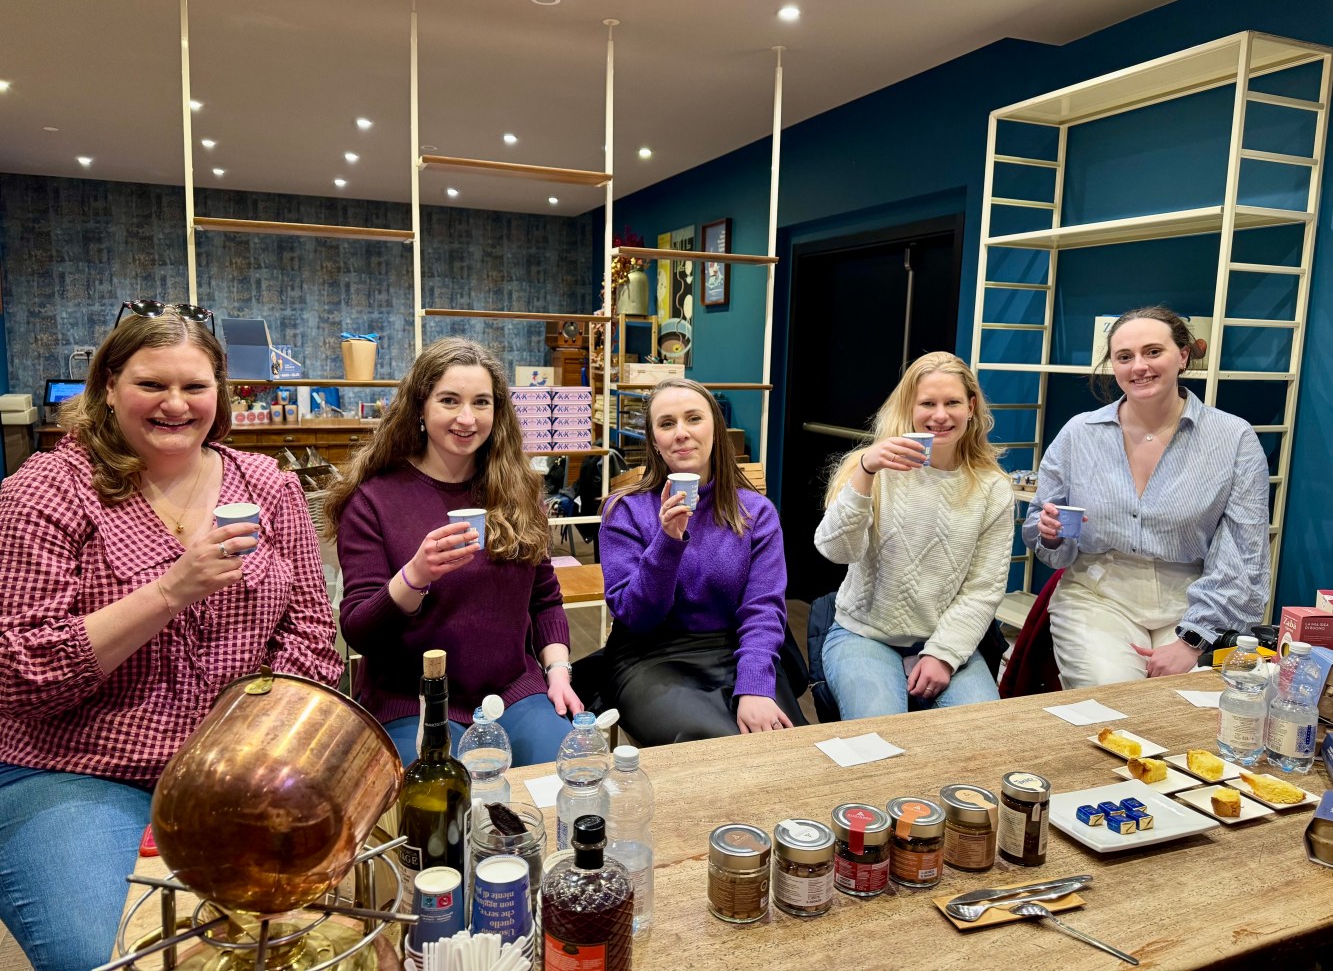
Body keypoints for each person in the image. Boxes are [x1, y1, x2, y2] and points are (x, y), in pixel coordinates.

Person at [0, 302, 342, 971]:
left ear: (221, 392)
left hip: (236, 764)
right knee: (112, 956)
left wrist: (253, 749)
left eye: (195, 386)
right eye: (151, 384)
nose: (175, 405)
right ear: (107, 386)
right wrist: (169, 591)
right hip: (77, 767)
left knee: (307, 932)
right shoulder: (45, 491)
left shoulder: (264, 487)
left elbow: (311, 641)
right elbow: (21, 673)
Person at [326, 337, 579, 766]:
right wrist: (415, 576)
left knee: (567, 782)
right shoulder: (374, 499)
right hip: (412, 698)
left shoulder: (518, 490)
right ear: (420, 408)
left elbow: (545, 600)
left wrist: (558, 671)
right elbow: (358, 631)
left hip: (513, 691)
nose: (467, 418)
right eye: (449, 401)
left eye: (481, 402)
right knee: (443, 815)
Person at [1022, 305, 1270, 687]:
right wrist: (1051, 532)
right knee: (1112, 702)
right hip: (1097, 595)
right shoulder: (1079, 434)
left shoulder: (1233, 439)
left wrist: (1192, 641)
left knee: (1186, 712)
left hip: (1193, 601)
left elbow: (1245, 554)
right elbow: (1041, 526)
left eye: (1153, 352)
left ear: (1183, 355)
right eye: (1125, 357)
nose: (1139, 366)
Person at [599, 378, 806, 744]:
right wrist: (668, 540)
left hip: (737, 647)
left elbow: (763, 609)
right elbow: (635, 616)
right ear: (654, 442)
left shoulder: (756, 513)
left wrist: (755, 686)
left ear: (715, 429)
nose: (681, 433)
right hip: (649, 656)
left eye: (694, 418)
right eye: (666, 423)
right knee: (711, 744)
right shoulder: (625, 510)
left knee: (783, 744)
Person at [814, 352, 1012, 719]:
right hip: (864, 635)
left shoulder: (993, 489)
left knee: (987, 733)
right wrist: (866, 470)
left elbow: (983, 589)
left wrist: (943, 655)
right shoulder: (873, 468)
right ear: (910, 408)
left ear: (971, 408)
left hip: (946, 640)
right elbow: (835, 550)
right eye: (928, 403)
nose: (940, 415)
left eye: (952, 402)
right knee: (881, 737)